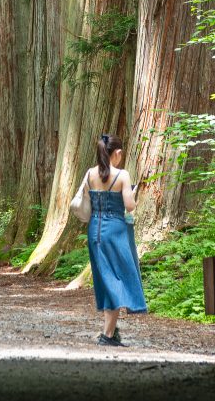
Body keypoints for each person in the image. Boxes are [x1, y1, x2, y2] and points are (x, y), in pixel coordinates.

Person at [83, 133, 146, 347]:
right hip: (116, 231)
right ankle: (107, 334)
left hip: (95, 230)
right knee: (117, 279)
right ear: (117, 153)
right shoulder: (122, 175)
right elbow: (129, 205)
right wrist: (134, 193)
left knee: (105, 279)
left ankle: (110, 331)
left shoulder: (90, 173)